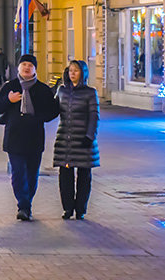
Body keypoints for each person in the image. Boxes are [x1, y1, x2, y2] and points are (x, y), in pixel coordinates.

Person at [0, 54, 60, 221]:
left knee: (31, 174)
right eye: (24, 65)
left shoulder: (42, 89)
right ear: (19, 67)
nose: (27, 67)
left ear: (35, 68)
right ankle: (23, 205)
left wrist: (38, 118)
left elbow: (53, 110)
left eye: (30, 65)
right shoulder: (11, 86)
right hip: (14, 137)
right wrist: (9, 99)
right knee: (18, 173)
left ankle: (26, 205)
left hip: (34, 138)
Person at [53, 59, 100, 220]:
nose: (72, 73)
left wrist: (90, 136)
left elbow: (94, 116)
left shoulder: (90, 92)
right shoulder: (62, 90)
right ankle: (67, 208)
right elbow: (52, 110)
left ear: (83, 73)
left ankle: (81, 208)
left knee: (84, 175)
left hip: (83, 139)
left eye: (76, 70)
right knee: (65, 175)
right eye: (70, 70)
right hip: (65, 139)